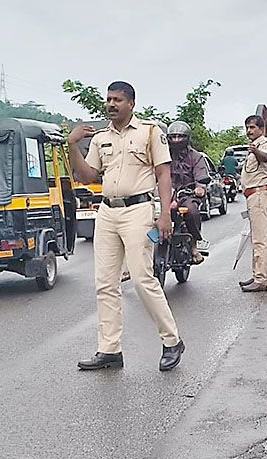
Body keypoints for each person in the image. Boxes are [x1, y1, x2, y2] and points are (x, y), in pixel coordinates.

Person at [66, 81, 185, 371]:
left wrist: (165, 213)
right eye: (108, 99)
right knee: (105, 283)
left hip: (138, 210)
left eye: (117, 99)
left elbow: (163, 173)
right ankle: (109, 350)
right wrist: (72, 145)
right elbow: (86, 175)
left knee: (143, 278)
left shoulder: (149, 131)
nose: (111, 104)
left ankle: (172, 341)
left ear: (131, 103)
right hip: (107, 211)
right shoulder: (100, 138)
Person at [167, 121, 211, 263]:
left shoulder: (196, 157)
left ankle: (194, 247)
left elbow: (201, 175)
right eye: (173, 137)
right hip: (166, 195)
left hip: (187, 195)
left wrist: (200, 187)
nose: (176, 140)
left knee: (192, 211)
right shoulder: (164, 156)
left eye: (180, 137)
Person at [238, 115, 267, 292]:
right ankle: (257, 274)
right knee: (256, 239)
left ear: (261, 129)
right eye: (247, 128)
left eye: (252, 127)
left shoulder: (263, 143)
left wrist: (256, 151)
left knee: (260, 239)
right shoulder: (255, 146)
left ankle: (261, 279)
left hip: (259, 194)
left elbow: (265, 157)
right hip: (253, 195)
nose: (249, 131)